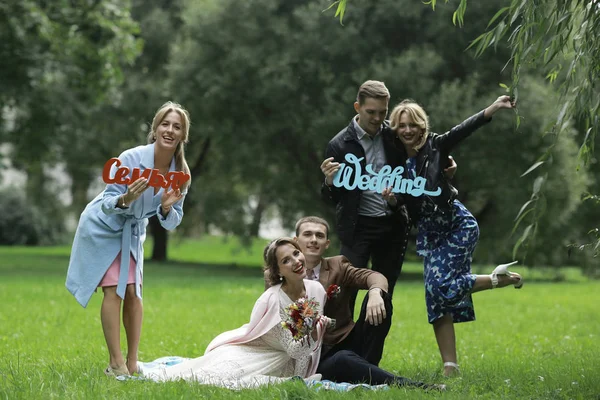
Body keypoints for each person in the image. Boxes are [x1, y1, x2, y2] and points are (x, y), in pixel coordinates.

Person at [383, 95, 523, 376]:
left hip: (457, 225)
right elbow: (407, 202)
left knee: (441, 287)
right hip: (430, 234)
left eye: (412, 124)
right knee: (435, 298)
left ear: (421, 126)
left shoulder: (435, 145)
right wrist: (393, 202)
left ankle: (498, 279)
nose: (407, 130)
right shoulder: (396, 159)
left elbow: (464, 128)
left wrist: (492, 108)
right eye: (401, 125)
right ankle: (451, 366)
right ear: (395, 128)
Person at [65, 101, 192, 377]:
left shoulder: (181, 174)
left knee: (134, 292)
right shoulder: (130, 159)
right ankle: (115, 362)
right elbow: (107, 202)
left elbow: (172, 222)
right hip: (103, 227)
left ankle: (133, 362)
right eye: (165, 124)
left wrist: (168, 207)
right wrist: (127, 197)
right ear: (155, 129)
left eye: (177, 126)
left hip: (133, 232)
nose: (170, 130)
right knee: (114, 289)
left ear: (183, 135)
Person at [320, 80, 457, 314]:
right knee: (343, 293)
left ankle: (370, 351)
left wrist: (443, 166)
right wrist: (329, 182)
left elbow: (423, 150)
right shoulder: (339, 145)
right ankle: (340, 349)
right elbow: (330, 198)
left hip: (392, 226)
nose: (376, 118)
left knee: (384, 297)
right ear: (357, 107)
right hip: (357, 229)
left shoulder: (394, 137)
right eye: (370, 112)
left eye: (382, 112)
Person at [266, 216, 444, 390]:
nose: (313, 240)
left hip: (347, 340)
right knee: (343, 359)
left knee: (382, 297)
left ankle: (367, 366)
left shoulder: (338, 265)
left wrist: (375, 292)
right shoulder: (279, 280)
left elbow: (374, 276)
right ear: (296, 241)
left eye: (319, 235)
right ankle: (414, 386)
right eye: (308, 234)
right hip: (314, 357)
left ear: (327, 243)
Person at [139, 238, 329, 389]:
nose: (296, 261)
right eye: (286, 260)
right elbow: (295, 349)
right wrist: (318, 327)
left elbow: (306, 348)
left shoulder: (317, 290)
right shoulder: (272, 300)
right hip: (264, 353)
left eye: (296, 253)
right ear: (278, 271)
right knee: (215, 375)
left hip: (293, 360)